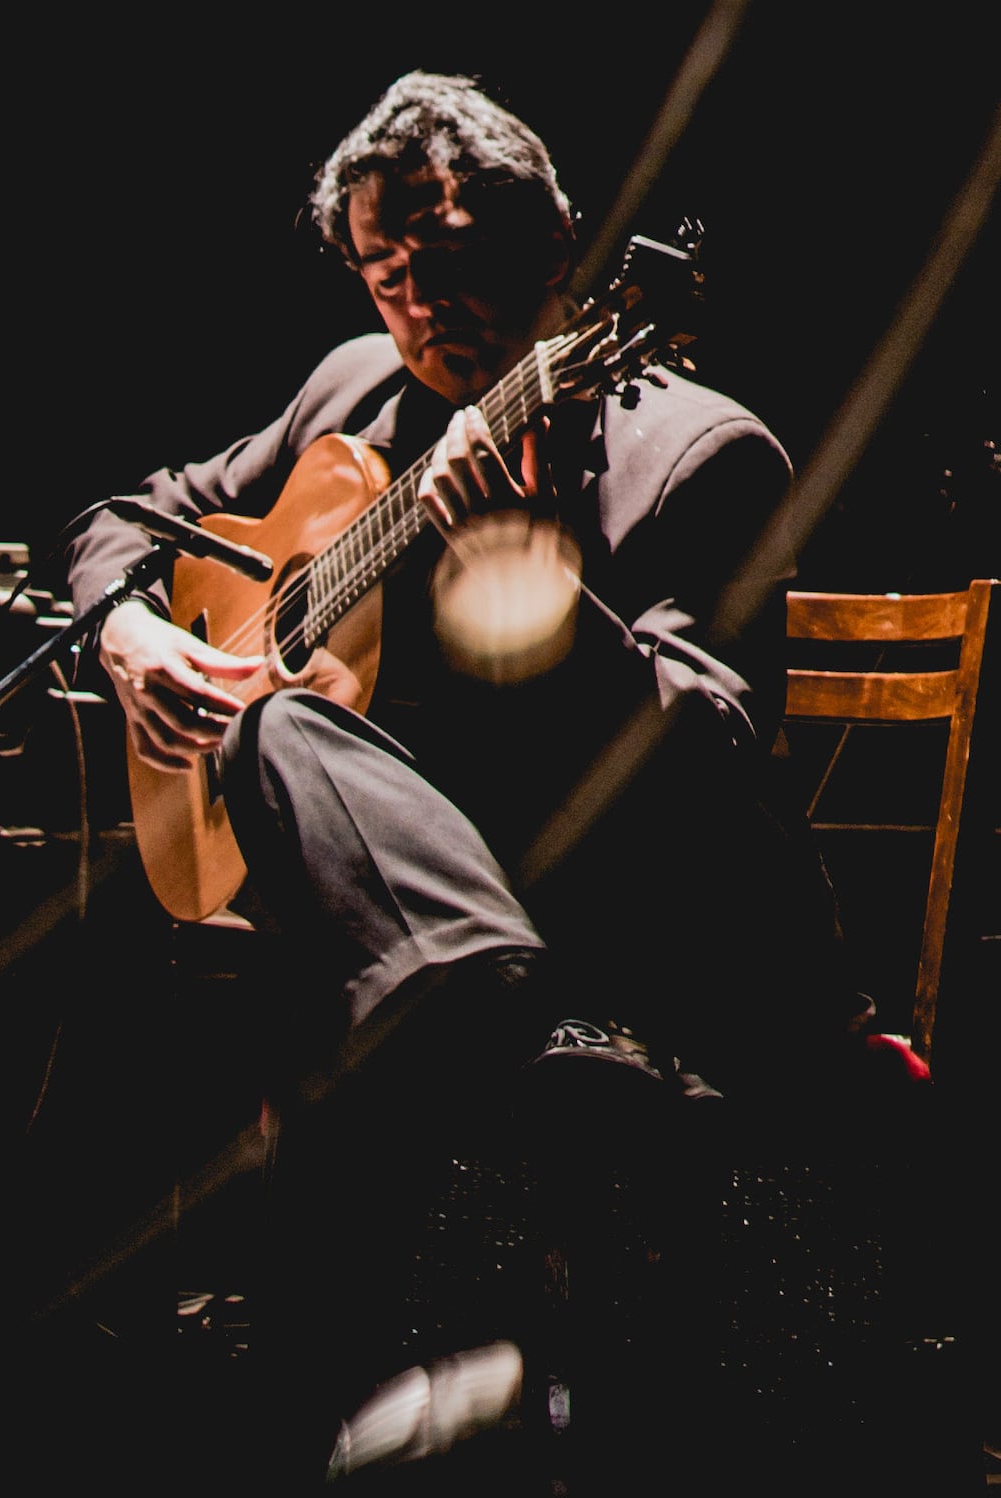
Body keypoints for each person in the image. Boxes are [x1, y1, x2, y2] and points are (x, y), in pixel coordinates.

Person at [69, 71, 848, 1111]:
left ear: (553, 246)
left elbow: (704, 771)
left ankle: (488, 1021)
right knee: (279, 732)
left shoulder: (695, 453)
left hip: (632, 929)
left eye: (451, 263)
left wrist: (534, 591)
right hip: (430, 948)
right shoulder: (350, 390)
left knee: (279, 735)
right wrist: (126, 628)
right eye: (384, 276)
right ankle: (484, 1012)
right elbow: (126, 517)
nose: (421, 307)